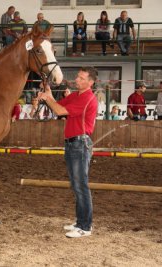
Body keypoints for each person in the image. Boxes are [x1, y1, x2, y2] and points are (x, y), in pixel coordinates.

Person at [38, 67, 98, 238]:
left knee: (81, 186)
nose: (77, 80)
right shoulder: (77, 95)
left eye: (81, 78)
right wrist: (47, 92)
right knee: (77, 185)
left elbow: (59, 111)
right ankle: (81, 222)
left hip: (79, 144)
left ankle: (85, 226)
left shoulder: (87, 98)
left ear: (90, 82)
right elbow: (57, 104)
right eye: (78, 77)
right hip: (74, 144)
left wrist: (46, 97)